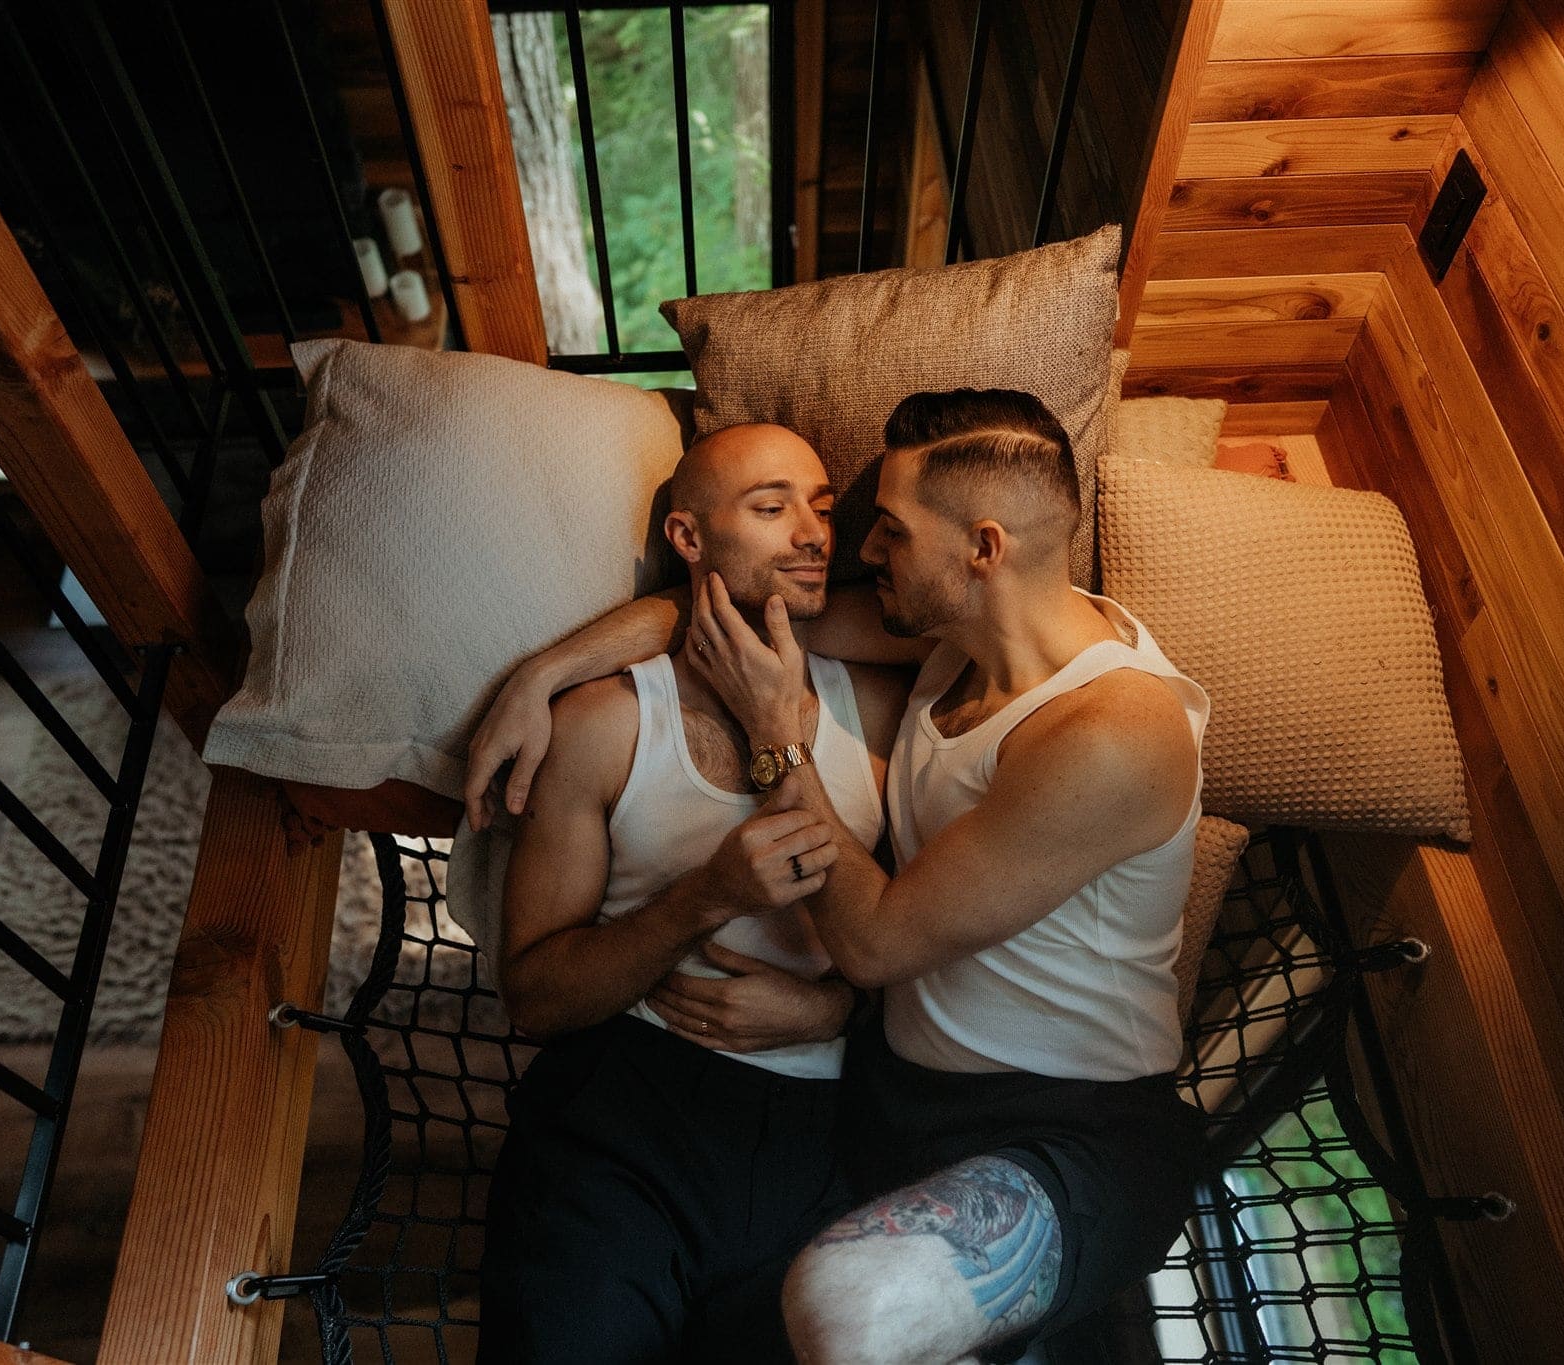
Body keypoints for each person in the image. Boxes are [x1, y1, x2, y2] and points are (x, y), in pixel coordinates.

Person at [468, 389, 1211, 1364]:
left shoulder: (1114, 731)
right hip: (870, 1113)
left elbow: (874, 944)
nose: (853, 545)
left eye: (887, 530)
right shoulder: (948, 643)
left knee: (846, 1305)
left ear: (982, 550)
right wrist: (539, 675)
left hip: (1059, 1129)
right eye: (783, 508)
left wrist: (779, 738)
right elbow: (728, 613)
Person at [476, 423, 907, 1364]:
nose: (814, 533)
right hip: (628, 1111)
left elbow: (940, 933)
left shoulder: (880, 711)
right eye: (771, 507)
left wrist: (842, 1008)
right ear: (687, 537)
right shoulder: (604, 725)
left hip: (828, 1134)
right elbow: (534, 996)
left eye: (822, 508)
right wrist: (703, 898)